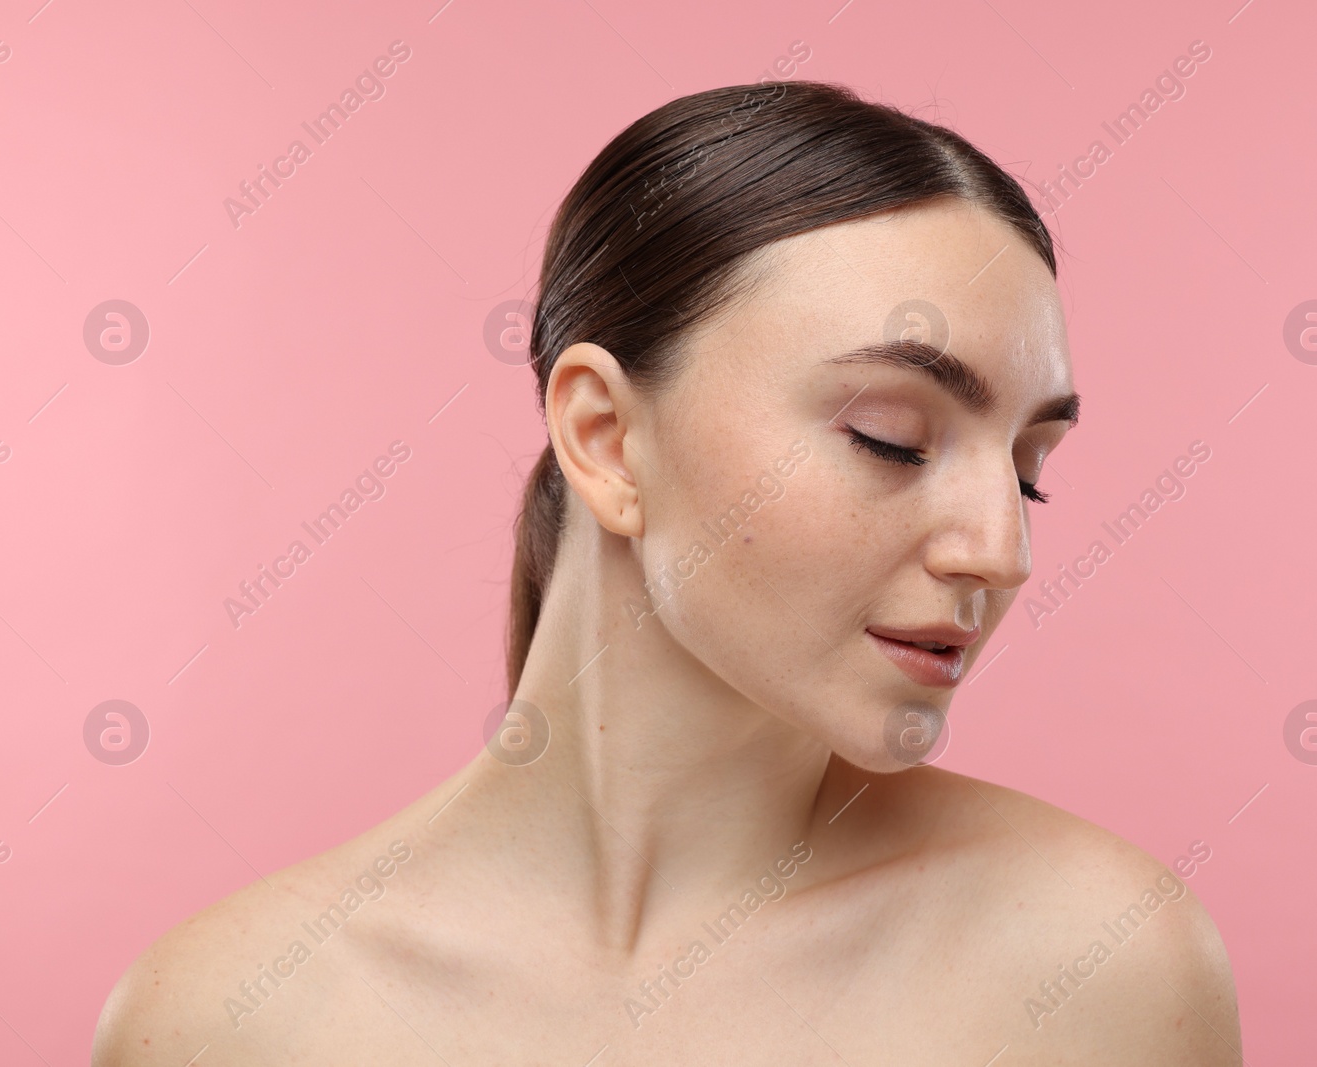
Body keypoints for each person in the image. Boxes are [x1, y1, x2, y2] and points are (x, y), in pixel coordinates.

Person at [93, 80, 1240, 1065]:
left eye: (1030, 471)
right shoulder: (228, 1018)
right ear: (604, 437)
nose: (1002, 550)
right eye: (893, 435)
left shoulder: (1097, 968)